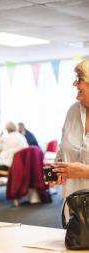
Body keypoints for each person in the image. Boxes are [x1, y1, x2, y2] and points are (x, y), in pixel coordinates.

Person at [50, 58, 89, 198]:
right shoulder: (73, 110)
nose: (74, 83)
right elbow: (63, 149)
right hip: (73, 206)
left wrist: (85, 172)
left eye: (79, 78)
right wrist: (58, 170)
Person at [0, 121, 28, 199]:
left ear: (7, 129)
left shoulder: (5, 137)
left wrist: (0, 136)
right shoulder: (22, 137)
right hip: (20, 166)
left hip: (7, 166)